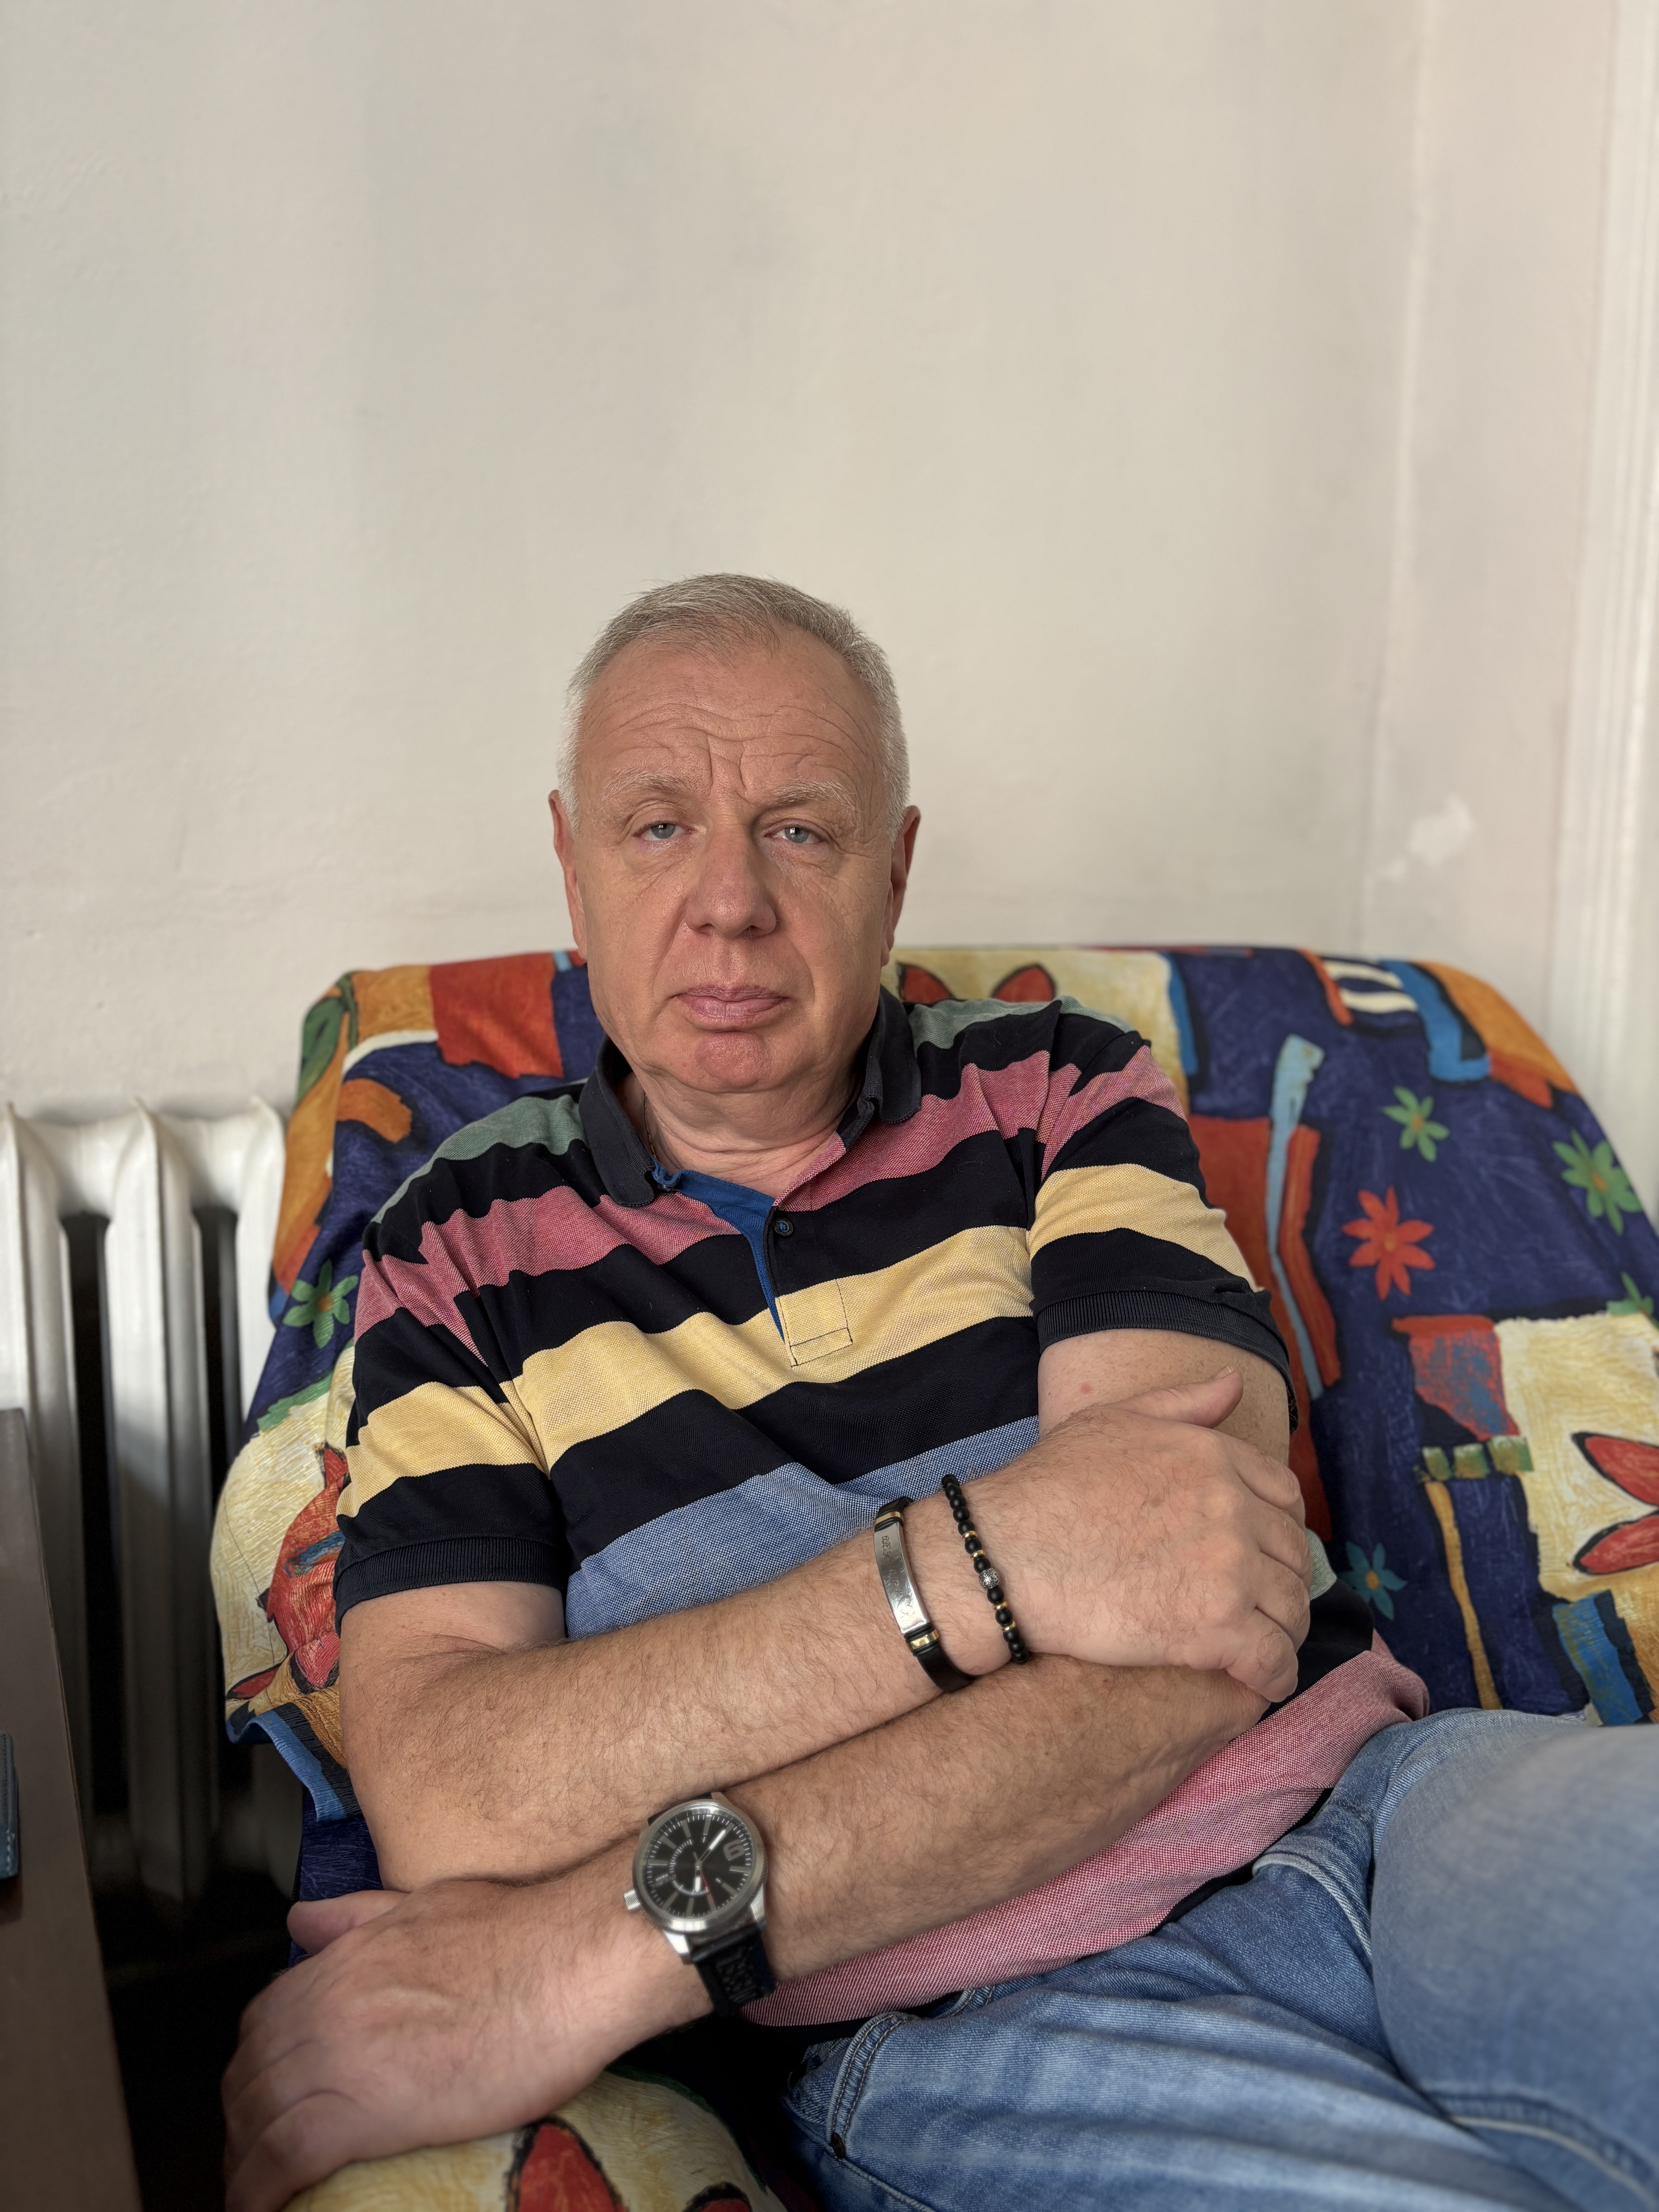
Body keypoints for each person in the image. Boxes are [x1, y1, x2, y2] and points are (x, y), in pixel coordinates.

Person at [223, 577, 1658, 2212]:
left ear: (895, 867)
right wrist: (994, 1561)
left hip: (1394, 1818)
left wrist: (608, 1943)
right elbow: (455, 1794)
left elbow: (1209, 1599)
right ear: (571, 860)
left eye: (800, 830)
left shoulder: (1057, 1087)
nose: (729, 904)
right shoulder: (453, 1248)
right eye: (657, 827)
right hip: (967, 2028)